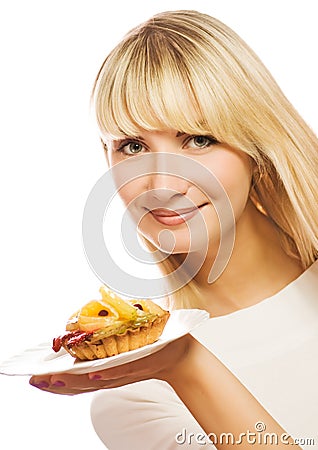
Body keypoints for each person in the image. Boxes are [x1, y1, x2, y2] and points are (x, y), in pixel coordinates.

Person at [30, 10, 318, 449]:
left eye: (198, 140)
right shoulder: (135, 398)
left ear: (255, 144)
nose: (162, 184)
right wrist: (183, 364)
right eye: (132, 146)